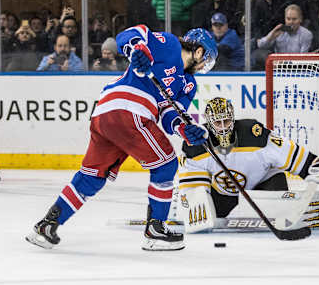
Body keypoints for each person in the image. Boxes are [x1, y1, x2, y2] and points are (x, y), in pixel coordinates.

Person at [26, 25, 218, 251]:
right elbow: (128, 34)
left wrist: (186, 130)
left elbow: (170, 115)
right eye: (206, 59)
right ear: (197, 51)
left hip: (107, 115)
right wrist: (137, 51)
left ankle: (47, 226)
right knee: (166, 164)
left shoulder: (188, 85)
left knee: (92, 177)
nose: (205, 66)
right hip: (128, 108)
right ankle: (155, 231)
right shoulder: (171, 45)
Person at [174, 97, 319, 228]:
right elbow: (194, 188)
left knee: (278, 211)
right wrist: (193, 206)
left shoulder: (254, 134)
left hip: (263, 185)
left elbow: (292, 155)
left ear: (233, 118)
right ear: (209, 123)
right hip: (222, 193)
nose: (222, 127)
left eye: (226, 121)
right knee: (206, 216)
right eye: (217, 123)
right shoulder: (196, 146)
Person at [254, 4, 313, 70]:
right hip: (278, 70)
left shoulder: (306, 34)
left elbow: (302, 59)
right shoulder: (279, 31)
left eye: (294, 19)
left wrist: (284, 63)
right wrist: (271, 35)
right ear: (285, 19)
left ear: (300, 19)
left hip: (297, 70)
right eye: (288, 19)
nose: (291, 22)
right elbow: (260, 45)